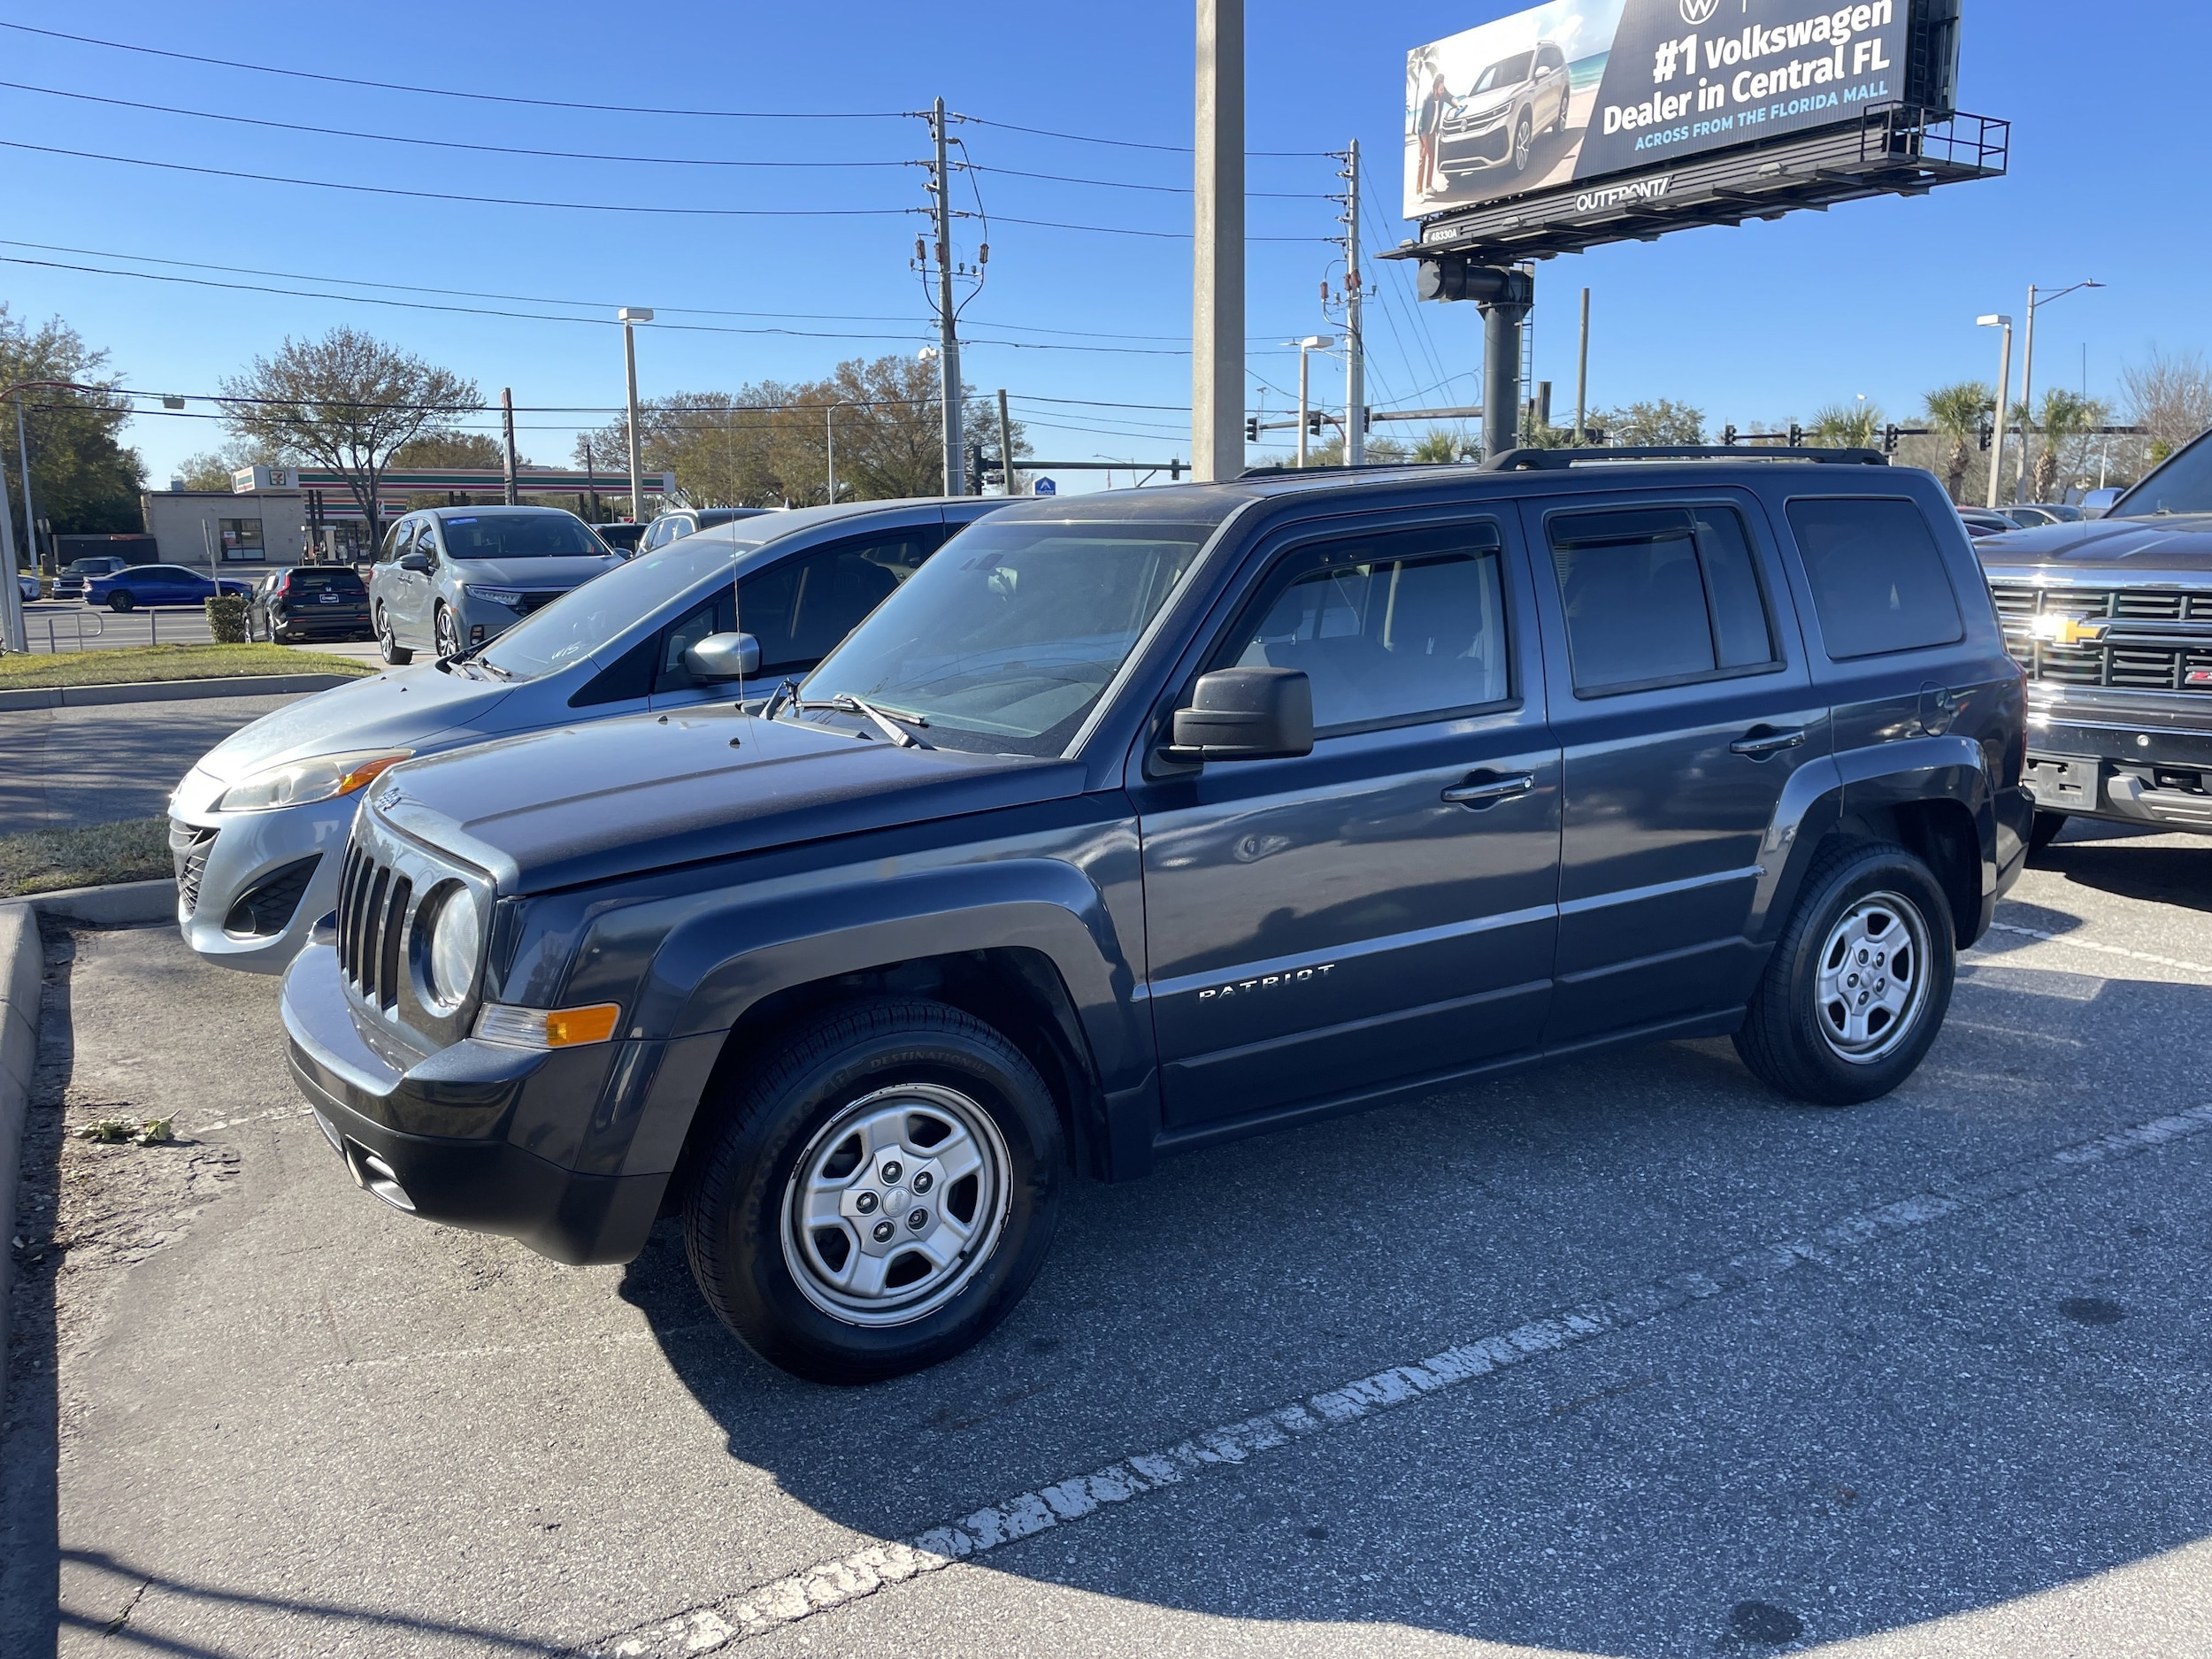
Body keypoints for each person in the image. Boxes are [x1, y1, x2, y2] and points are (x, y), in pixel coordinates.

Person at [1417, 74, 1450, 197]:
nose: (1442, 91)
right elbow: (1422, 124)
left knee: (1432, 158)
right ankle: (1419, 192)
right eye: (1441, 89)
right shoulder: (1428, 100)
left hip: (1432, 133)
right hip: (1423, 133)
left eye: (1443, 88)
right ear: (1436, 88)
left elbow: (1450, 98)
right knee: (1423, 159)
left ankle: (1428, 186)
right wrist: (1424, 144)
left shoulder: (1441, 97)